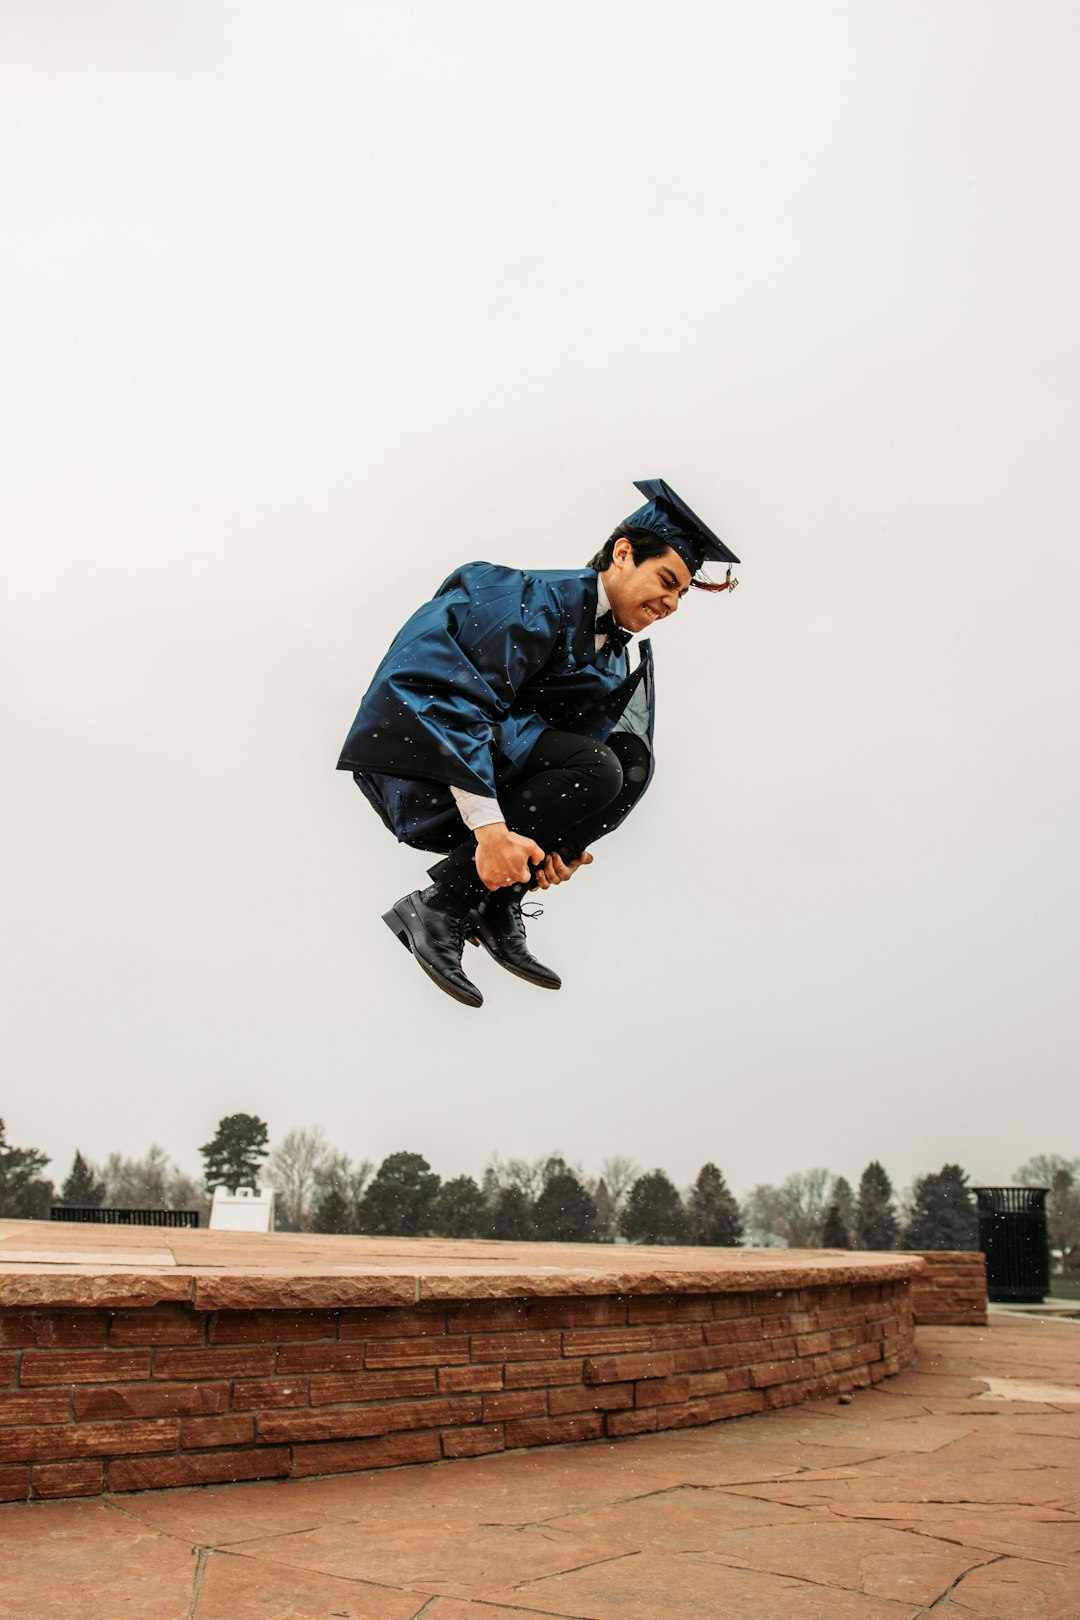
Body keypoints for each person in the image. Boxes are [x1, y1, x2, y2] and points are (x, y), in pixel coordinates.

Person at [337, 478, 740, 1007]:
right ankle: (440, 903)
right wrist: (491, 831)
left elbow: (577, 762)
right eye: (667, 580)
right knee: (599, 767)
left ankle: (498, 898)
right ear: (623, 554)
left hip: (503, 763)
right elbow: (453, 701)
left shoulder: (612, 655)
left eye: (681, 594)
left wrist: (558, 843)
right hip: (425, 761)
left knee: (629, 760)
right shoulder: (530, 600)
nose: (671, 603)